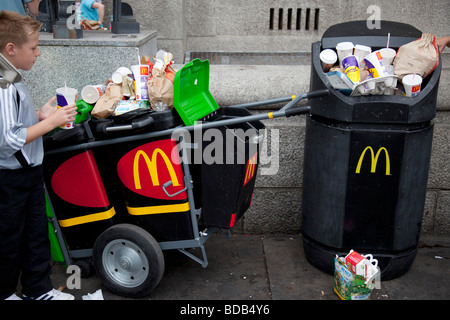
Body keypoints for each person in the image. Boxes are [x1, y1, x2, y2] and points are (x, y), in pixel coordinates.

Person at [0, 10, 77, 300]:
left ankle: (38, 290)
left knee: (35, 234)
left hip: (28, 172)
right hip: (10, 177)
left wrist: (39, 115)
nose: (38, 53)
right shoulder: (4, 85)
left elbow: (13, 122)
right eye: (33, 48)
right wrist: (49, 123)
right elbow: (7, 140)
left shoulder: (12, 76)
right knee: (9, 239)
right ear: (11, 49)